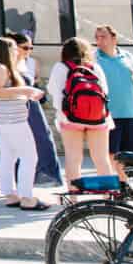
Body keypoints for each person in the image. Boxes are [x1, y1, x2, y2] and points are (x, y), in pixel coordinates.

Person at [0, 37, 50, 210]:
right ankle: (26, 197)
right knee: (29, 157)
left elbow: (4, 91)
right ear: (7, 50)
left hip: (7, 119)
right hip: (10, 120)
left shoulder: (6, 68)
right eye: (14, 48)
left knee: (9, 156)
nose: (17, 51)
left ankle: (11, 194)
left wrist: (26, 94)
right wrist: (27, 90)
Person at [48, 37, 115, 189]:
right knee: (101, 159)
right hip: (98, 119)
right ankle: (107, 195)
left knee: (73, 158)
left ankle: (74, 197)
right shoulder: (94, 67)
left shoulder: (60, 67)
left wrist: (65, 114)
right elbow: (104, 91)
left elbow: (54, 92)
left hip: (70, 119)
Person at [94, 24, 133, 199]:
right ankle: (118, 187)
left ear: (114, 38)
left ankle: (124, 186)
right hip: (109, 114)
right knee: (111, 153)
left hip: (131, 111)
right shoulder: (94, 59)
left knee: (127, 154)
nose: (99, 41)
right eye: (97, 37)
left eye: (103, 37)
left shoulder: (128, 55)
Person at [11, 32, 63, 187]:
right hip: (20, 107)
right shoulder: (8, 66)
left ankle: (46, 175)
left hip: (32, 104)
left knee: (44, 139)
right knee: (22, 146)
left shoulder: (29, 63)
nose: (29, 51)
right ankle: (26, 180)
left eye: (31, 48)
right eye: (25, 48)